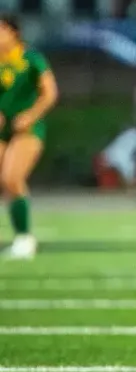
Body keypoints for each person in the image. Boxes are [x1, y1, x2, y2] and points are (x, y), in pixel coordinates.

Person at [0, 15, 58, 260]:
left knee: (12, 178)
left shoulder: (31, 59)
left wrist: (30, 116)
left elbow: (50, 93)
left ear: (14, 33)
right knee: (6, 183)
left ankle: (25, 238)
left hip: (27, 130)